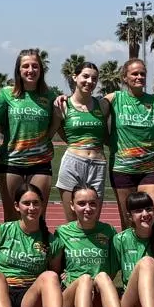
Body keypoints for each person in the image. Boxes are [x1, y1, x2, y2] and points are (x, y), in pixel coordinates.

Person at [50, 184, 141, 307]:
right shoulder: (62, 232)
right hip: (71, 304)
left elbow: (113, 268)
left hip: (100, 302)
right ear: (72, 206)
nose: (87, 208)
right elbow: (54, 269)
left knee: (102, 277)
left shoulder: (108, 231)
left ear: (99, 205)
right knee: (85, 279)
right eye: (82, 203)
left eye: (92, 203)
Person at [109, 59, 154, 227]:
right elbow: (89, 108)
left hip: (151, 169)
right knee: (129, 223)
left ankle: (153, 254)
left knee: (152, 220)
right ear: (124, 77)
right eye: (134, 73)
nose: (139, 77)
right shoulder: (115, 99)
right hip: (122, 169)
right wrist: (65, 100)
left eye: (143, 73)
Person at [0, 49, 55, 220]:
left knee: (37, 215)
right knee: (11, 216)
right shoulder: (6, 94)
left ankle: (39, 247)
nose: (31, 70)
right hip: (11, 162)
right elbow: (1, 125)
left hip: (40, 162)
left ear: (41, 70)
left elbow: (55, 126)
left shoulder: (50, 96)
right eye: (26, 66)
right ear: (19, 70)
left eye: (35, 66)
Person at [55, 64, 111, 227]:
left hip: (98, 164)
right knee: (72, 222)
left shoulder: (103, 105)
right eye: (85, 76)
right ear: (75, 77)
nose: (90, 81)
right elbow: (57, 129)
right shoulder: (63, 104)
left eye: (94, 78)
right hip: (73, 162)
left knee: (92, 220)